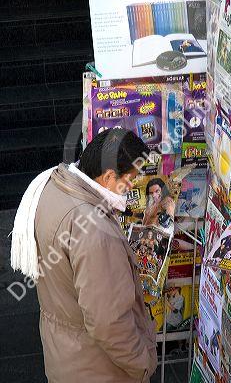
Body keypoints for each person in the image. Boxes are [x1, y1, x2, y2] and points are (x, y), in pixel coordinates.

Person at [11, 128, 157, 383]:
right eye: (130, 179)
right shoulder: (95, 232)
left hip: (64, 354)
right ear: (110, 176)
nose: (132, 186)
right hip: (97, 368)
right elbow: (109, 323)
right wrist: (143, 364)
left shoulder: (52, 185)